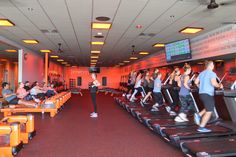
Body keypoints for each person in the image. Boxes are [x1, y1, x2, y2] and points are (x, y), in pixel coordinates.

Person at [194, 61, 223, 133]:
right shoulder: (212, 73)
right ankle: (201, 127)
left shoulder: (201, 73)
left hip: (201, 94)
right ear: (210, 65)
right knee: (209, 111)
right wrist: (220, 85)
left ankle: (199, 114)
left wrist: (201, 87)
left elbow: (195, 82)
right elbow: (214, 83)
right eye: (213, 64)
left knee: (209, 107)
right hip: (208, 94)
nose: (213, 66)